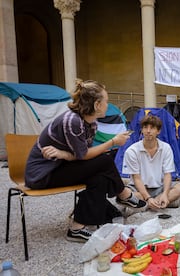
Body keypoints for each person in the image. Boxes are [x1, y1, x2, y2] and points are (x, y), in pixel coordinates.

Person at [25, 79, 147, 243]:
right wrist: (112, 142)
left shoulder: (91, 123)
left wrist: (65, 154)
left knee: (100, 177)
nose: (107, 104)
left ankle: (77, 228)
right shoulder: (72, 121)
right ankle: (124, 194)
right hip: (42, 175)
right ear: (97, 104)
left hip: (61, 165)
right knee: (104, 161)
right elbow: (84, 155)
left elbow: (81, 155)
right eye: (106, 101)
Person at [122, 115, 180, 210]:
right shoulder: (131, 151)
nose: (148, 131)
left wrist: (165, 194)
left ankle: (147, 205)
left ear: (158, 131)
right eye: (145, 127)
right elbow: (136, 178)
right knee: (124, 194)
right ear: (142, 130)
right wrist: (148, 198)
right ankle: (161, 202)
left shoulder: (166, 148)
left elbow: (167, 174)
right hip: (138, 189)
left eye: (152, 128)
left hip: (158, 188)